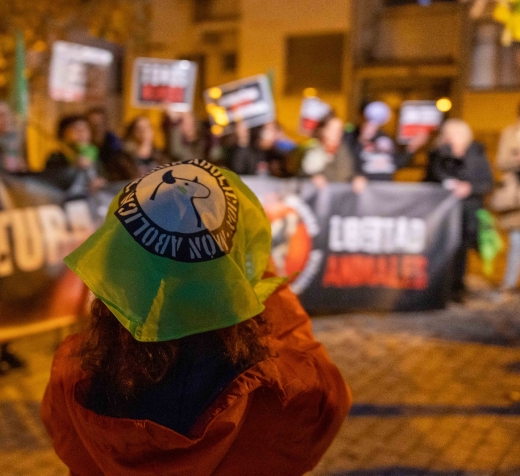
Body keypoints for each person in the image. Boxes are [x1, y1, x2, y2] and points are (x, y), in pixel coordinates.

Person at [42, 160, 351, 475]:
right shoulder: (278, 394)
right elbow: (327, 402)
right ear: (229, 264)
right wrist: (260, 282)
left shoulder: (73, 381)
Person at [425, 119, 494, 302]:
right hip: (444, 212)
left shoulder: (476, 154)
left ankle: (457, 288)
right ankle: (440, 286)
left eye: (455, 134)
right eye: (448, 134)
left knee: (461, 250)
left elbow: (487, 182)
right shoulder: (439, 153)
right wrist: (448, 183)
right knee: (443, 248)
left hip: (468, 211)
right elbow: (431, 177)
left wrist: (469, 188)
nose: (452, 138)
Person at [348, 101, 427, 193]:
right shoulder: (352, 136)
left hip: (385, 191)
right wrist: (362, 139)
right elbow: (348, 161)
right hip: (364, 192)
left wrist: (411, 148)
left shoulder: (385, 138)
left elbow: (396, 163)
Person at [492, 109, 520, 300]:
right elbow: (500, 161)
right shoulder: (510, 133)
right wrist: (515, 160)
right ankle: (509, 283)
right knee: (516, 242)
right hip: (514, 196)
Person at [43, 115, 105, 195]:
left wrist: (100, 182)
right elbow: (51, 182)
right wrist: (75, 166)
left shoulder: (94, 153)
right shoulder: (56, 156)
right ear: (63, 134)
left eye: (85, 129)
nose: (81, 133)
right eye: (76, 129)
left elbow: (103, 176)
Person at [104, 115, 168, 181]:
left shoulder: (160, 156)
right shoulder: (124, 159)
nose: (144, 131)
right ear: (133, 132)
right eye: (139, 128)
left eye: (147, 127)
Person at [301, 115, 355, 188]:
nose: (337, 134)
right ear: (323, 130)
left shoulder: (344, 150)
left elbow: (347, 174)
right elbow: (305, 173)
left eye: (340, 130)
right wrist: (313, 177)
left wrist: (356, 178)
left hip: (341, 196)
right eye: (333, 130)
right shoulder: (313, 150)